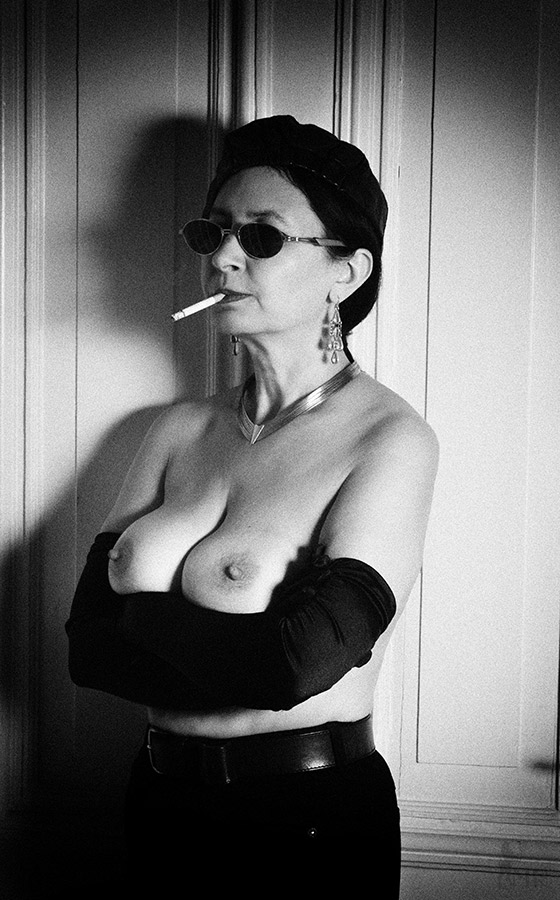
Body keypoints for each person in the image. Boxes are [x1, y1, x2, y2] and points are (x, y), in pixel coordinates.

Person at [66, 115, 438, 896]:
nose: (222, 259)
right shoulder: (177, 429)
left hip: (306, 824)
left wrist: (139, 624)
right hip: (159, 803)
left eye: (262, 237)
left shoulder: (390, 439)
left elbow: (295, 664)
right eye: (214, 232)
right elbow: (86, 648)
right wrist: (217, 648)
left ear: (347, 271)